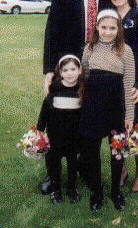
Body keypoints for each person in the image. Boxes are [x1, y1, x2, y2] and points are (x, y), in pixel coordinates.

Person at [42, 0, 106, 193]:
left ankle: (87, 168)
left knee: (90, 120)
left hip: (99, 68)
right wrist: (49, 70)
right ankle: (53, 174)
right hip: (67, 68)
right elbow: (52, 32)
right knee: (58, 121)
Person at [78, 9, 135, 211]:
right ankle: (97, 190)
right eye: (104, 27)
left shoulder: (125, 51)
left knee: (116, 149)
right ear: (97, 27)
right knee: (91, 150)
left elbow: (128, 84)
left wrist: (129, 114)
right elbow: (83, 75)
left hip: (115, 106)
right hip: (93, 105)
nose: (108, 32)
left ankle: (115, 191)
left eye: (112, 28)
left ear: (118, 29)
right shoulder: (89, 48)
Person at [105, 0, 138, 193]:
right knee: (116, 131)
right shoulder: (107, 17)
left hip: (133, 86)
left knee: (135, 131)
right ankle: (121, 170)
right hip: (112, 85)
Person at [37, 55, 83, 205]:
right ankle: (56, 190)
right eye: (65, 70)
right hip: (55, 134)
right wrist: (40, 129)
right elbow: (45, 110)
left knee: (72, 163)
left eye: (73, 69)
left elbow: (85, 113)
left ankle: (71, 188)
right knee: (54, 163)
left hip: (73, 135)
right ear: (60, 73)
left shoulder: (82, 89)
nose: (70, 73)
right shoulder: (55, 88)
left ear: (79, 70)